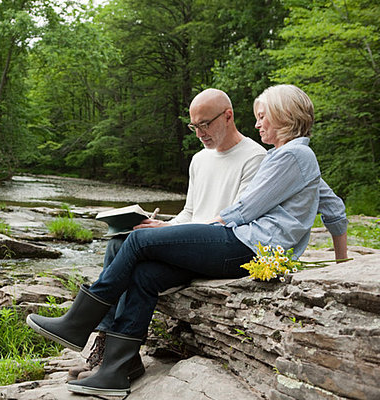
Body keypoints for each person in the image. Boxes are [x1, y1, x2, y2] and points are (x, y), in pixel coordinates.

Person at [27, 84, 348, 396]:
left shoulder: (291, 157)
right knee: (144, 274)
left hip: (245, 244)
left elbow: (245, 209)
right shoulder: (292, 157)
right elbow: (334, 208)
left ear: (284, 115)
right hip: (244, 245)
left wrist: (180, 231)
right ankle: (117, 369)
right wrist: (340, 263)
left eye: (263, 116)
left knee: (138, 242)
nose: (257, 123)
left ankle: (77, 324)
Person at [68, 88, 267, 380]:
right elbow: (189, 212)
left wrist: (168, 236)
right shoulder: (200, 159)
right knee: (123, 244)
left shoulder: (255, 157)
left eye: (205, 125)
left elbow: (236, 221)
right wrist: (162, 227)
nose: (199, 133)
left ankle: (86, 330)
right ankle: (119, 359)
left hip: (218, 249)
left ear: (228, 116)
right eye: (193, 126)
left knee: (135, 247)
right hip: (188, 243)